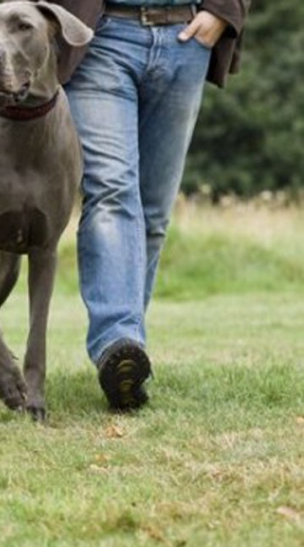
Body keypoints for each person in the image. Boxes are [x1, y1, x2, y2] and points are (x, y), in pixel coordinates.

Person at [51, 1, 250, 410]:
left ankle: (126, 363)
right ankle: (118, 342)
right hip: (98, 37)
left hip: (185, 36)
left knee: (153, 213)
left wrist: (223, 10)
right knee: (111, 191)